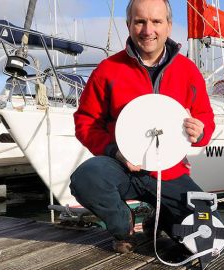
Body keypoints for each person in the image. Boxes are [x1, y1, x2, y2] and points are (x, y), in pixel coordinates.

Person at [70, 0, 216, 254]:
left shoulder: (188, 71)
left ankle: (157, 218)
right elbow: (85, 121)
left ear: (169, 26)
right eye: (140, 21)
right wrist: (114, 151)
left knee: (204, 236)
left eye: (156, 21)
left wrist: (200, 131)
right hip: (121, 168)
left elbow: (205, 117)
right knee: (86, 177)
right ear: (129, 25)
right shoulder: (108, 70)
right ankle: (123, 226)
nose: (148, 30)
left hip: (169, 173)